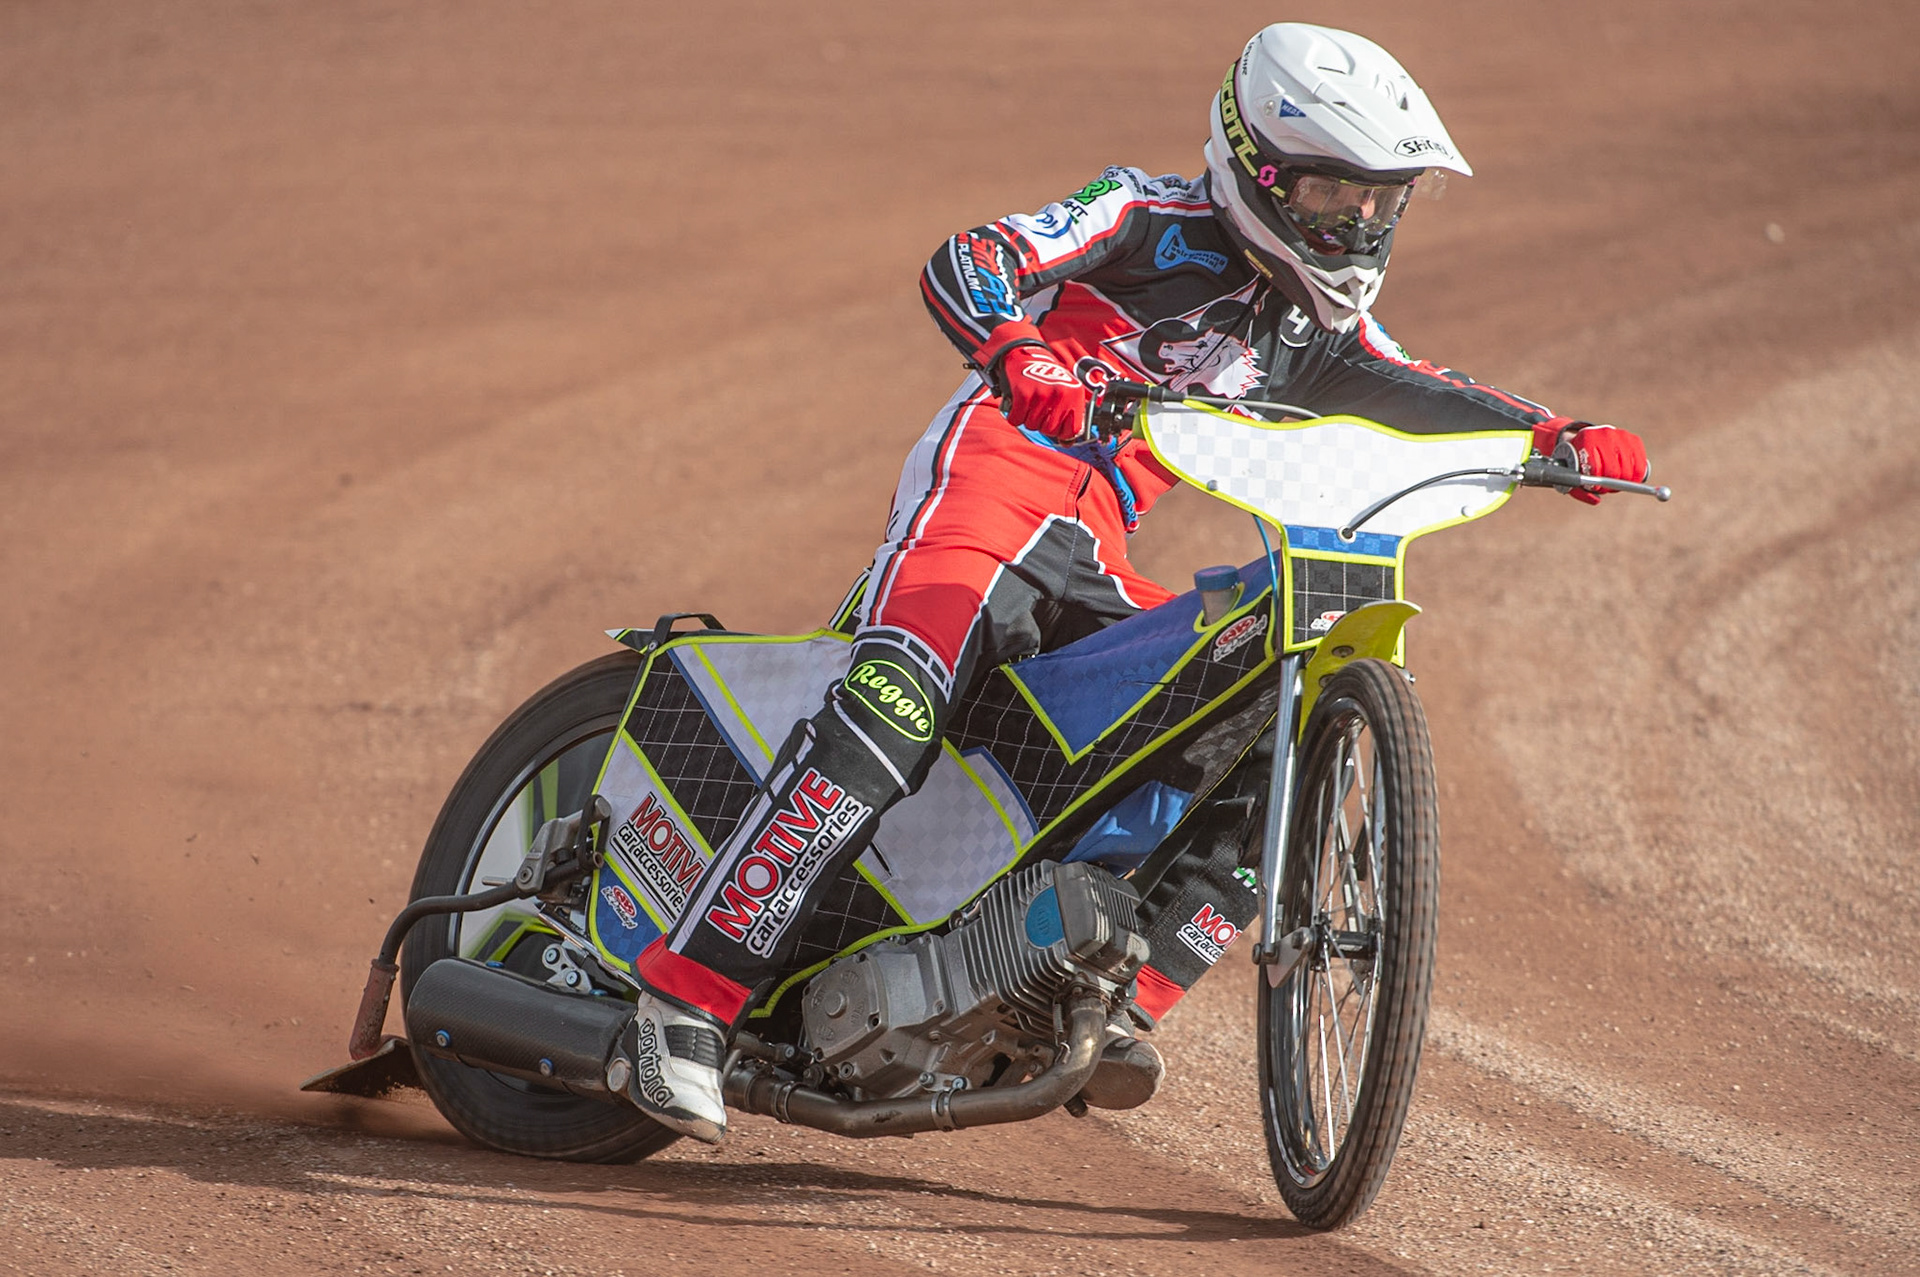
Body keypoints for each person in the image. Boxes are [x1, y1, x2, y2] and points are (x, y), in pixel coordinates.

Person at [616, 22, 1651, 1142]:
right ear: (1257, 168)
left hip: (1094, 547)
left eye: (1380, 201)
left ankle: (1115, 989)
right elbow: (969, 258)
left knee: (1257, 706)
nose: (1358, 223)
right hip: (995, 483)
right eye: (1331, 194)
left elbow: (1416, 385)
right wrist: (1019, 352)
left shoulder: (1319, 327)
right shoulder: (1147, 215)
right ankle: (682, 1001)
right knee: (896, 707)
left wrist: (1554, 436)